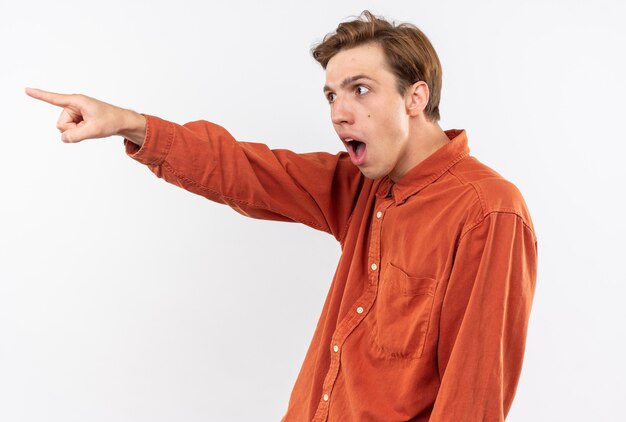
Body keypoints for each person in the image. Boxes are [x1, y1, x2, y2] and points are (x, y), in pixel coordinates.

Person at [26, 10, 537, 422]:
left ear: (415, 97)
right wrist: (129, 125)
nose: (339, 111)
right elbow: (247, 171)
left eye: (360, 89)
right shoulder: (360, 187)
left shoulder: (488, 211)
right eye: (332, 95)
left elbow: (474, 397)